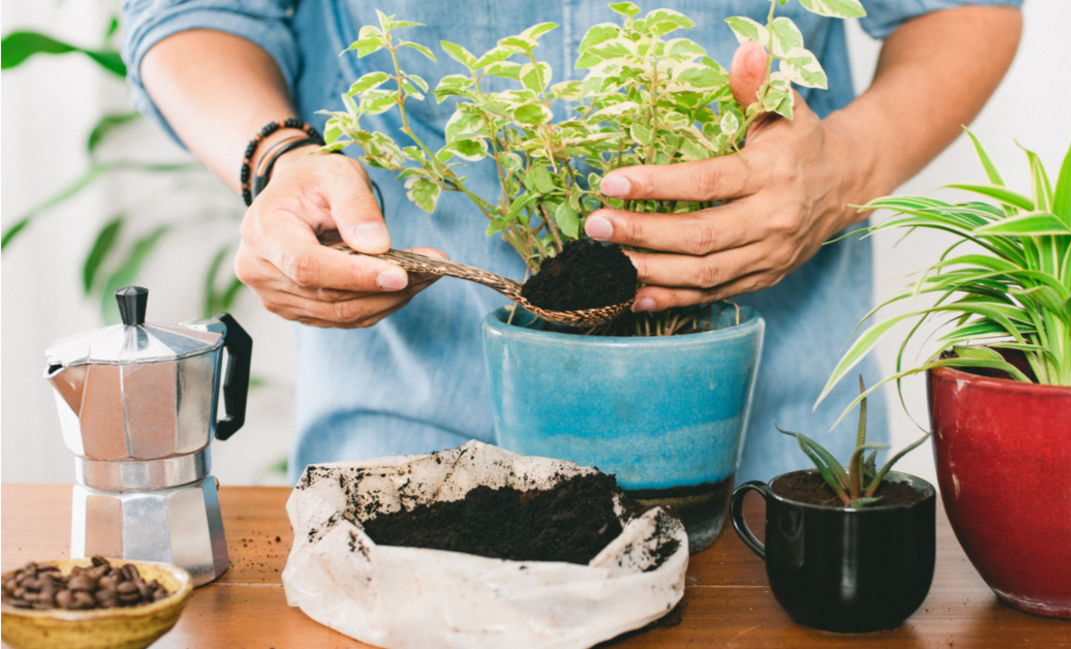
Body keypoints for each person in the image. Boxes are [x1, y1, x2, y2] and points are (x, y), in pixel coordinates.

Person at [123, 0, 1023, 483]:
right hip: (413, 427)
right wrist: (275, 159)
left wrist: (847, 169)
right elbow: (196, 9)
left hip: (768, 437)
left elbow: (963, 7)